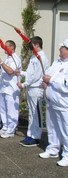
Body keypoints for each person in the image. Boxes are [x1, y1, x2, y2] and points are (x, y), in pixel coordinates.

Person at [15, 36, 49, 146]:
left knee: (36, 113)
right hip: (31, 88)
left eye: (31, 45)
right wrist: (21, 72)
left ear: (37, 45)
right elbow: (30, 73)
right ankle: (30, 134)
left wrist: (24, 84)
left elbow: (35, 76)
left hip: (36, 89)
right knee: (31, 113)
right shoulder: (34, 57)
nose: (30, 48)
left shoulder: (41, 57)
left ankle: (36, 136)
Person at [39, 39, 68, 167]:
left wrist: (51, 80)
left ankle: (66, 154)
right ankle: (53, 149)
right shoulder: (56, 62)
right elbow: (47, 75)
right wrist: (45, 81)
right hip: (51, 101)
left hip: (63, 103)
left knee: (65, 129)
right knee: (52, 127)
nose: (59, 50)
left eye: (62, 48)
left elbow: (65, 84)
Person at [0, 40, 22, 139]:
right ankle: (5, 126)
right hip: (4, 88)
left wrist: (1, 62)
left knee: (11, 110)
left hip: (12, 89)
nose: (4, 48)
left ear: (12, 47)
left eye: (6, 47)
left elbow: (10, 71)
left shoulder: (15, 58)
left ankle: (11, 129)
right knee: (3, 109)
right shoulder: (8, 58)